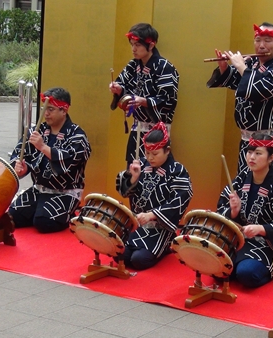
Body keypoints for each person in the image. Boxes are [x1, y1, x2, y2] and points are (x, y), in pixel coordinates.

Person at [207, 22, 273, 174]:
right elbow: (235, 81)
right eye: (258, 40)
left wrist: (241, 67)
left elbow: (259, 91)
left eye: (267, 40)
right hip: (247, 140)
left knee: (261, 185)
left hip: (267, 141)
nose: (261, 45)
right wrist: (224, 67)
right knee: (244, 182)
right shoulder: (252, 62)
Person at [216, 132, 273, 288]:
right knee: (217, 268)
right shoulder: (240, 180)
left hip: (267, 244)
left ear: (271, 158)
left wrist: (261, 229)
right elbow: (220, 210)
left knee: (246, 274)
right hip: (240, 240)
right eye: (249, 152)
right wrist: (233, 211)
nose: (251, 157)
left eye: (258, 153)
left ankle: (271, 269)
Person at [9, 87, 91, 234]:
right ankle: (39, 209)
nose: (45, 113)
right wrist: (22, 167)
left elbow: (70, 162)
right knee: (12, 217)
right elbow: (21, 154)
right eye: (44, 108)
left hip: (64, 192)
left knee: (44, 223)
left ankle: (67, 213)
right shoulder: (37, 131)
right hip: (39, 188)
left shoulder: (77, 135)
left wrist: (43, 147)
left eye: (51, 109)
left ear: (64, 110)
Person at [115, 122, 192, 270]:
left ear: (167, 151)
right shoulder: (141, 165)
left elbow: (180, 199)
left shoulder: (177, 171)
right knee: (120, 255)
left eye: (155, 154)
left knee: (138, 260)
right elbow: (123, 191)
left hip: (160, 228)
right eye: (147, 153)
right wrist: (133, 178)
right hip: (137, 224)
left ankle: (165, 247)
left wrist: (152, 214)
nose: (150, 158)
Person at [109, 23, 179, 168]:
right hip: (137, 129)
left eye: (138, 45)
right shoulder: (132, 65)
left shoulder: (165, 67)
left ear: (151, 45)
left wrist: (144, 101)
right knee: (133, 170)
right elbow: (123, 85)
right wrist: (118, 89)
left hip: (157, 131)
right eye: (132, 44)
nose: (133, 49)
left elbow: (168, 100)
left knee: (156, 172)